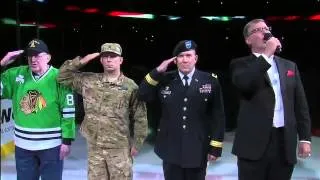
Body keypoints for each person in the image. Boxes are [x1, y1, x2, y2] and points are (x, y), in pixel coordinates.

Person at [230, 19, 312, 180]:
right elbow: (246, 84)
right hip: (253, 144)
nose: (265, 32)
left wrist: (305, 138)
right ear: (248, 40)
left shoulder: (289, 66)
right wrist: (266, 54)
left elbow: (300, 104)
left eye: (267, 28)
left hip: (284, 143)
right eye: (258, 30)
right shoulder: (240, 65)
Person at [57, 43, 148, 180]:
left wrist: (137, 143)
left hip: (119, 148)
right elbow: (62, 77)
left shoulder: (130, 86)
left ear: (120, 60)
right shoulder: (89, 80)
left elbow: (140, 117)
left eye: (113, 56)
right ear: (101, 60)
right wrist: (82, 61)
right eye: (105, 57)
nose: (109, 60)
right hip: (95, 147)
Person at [138, 40, 225, 180]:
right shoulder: (164, 79)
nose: (185, 60)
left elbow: (218, 115)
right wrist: (157, 71)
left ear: (195, 58)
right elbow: (142, 94)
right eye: (181, 56)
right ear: (175, 60)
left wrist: (215, 146)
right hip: (170, 147)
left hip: (197, 147)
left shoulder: (209, 80)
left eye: (189, 56)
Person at [0, 39, 76, 180]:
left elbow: (68, 111)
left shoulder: (60, 78)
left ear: (48, 57)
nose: (33, 59)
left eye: (37, 55)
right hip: (23, 146)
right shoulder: (16, 75)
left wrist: (67, 140)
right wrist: (2, 63)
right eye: (30, 56)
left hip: (51, 146)